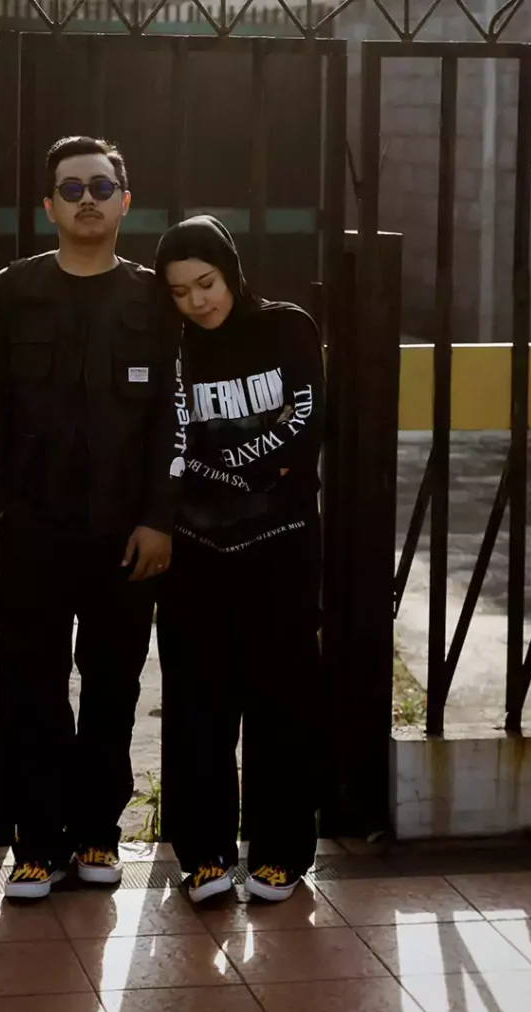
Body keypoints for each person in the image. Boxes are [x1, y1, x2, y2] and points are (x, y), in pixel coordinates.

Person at [0, 137, 180, 900]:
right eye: (71, 188)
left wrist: (159, 518)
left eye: (101, 186)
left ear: (126, 201)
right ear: (48, 207)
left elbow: (170, 417)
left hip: (126, 535)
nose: (87, 199)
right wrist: (3, 508)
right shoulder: (11, 292)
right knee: (32, 686)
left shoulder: (153, 300)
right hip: (36, 531)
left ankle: (97, 834)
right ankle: (38, 842)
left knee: (113, 687)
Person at [154, 215, 325, 904]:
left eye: (207, 282)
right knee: (198, 703)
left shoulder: (288, 328)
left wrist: (229, 468)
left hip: (282, 547)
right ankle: (204, 855)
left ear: (230, 271)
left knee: (283, 697)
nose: (198, 301)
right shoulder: (170, 348)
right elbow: (164, 440)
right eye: (180, 291)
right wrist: (236, 473)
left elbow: (305, 419)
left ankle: (281, 851)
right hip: (195, 553)